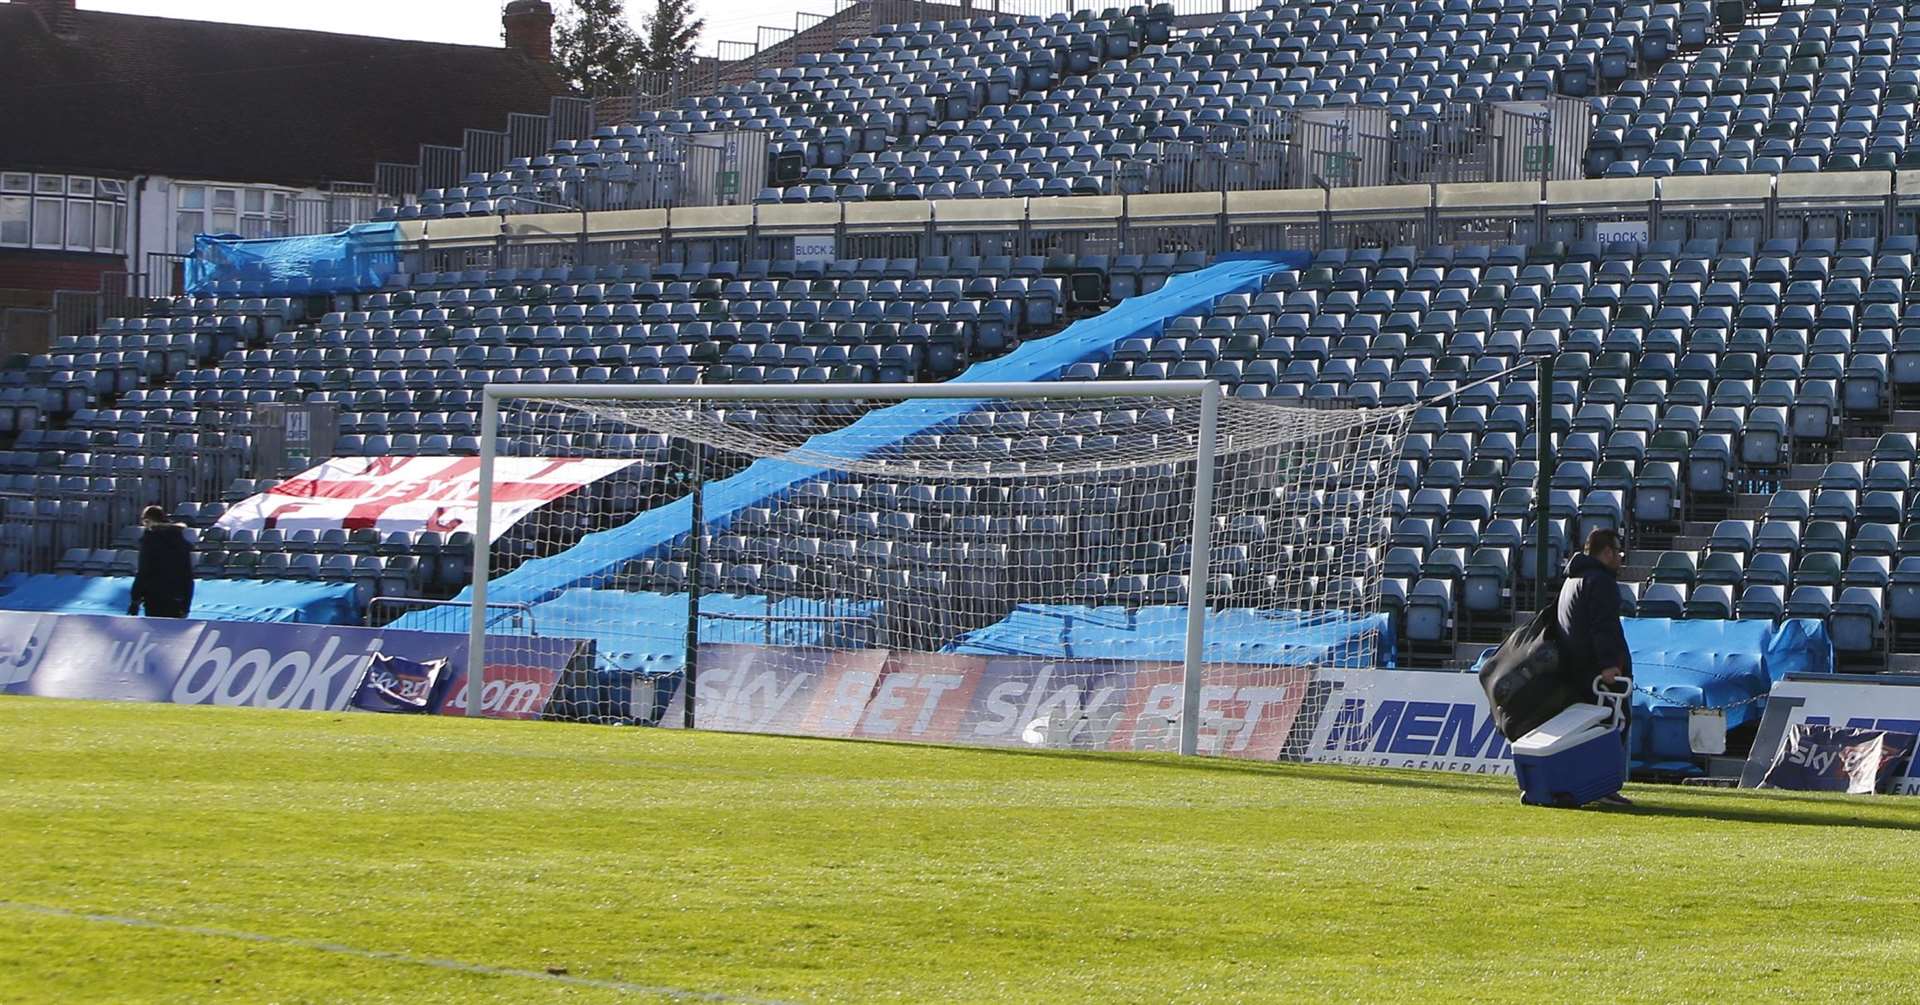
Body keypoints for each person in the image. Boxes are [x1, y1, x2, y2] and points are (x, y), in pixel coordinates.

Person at [1557, 527, 1634, 805]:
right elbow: (1603, 627)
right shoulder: (1600, 581)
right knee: (1612, 725)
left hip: (1575, 670)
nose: (1620, 560)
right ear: (1607, 552)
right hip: (1596, 674)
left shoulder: (1572, 580)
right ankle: (1603, 787)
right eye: (1618, 553)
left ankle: (1584, 785)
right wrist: (1610, 665)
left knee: (1585, 732)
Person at [128, 506, 194, 619]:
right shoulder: (180, 540)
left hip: (154, 597)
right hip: (176, 597)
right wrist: (186, 604)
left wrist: (135, 599)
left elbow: (144, 571)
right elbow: (187, 575)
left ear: (149, 521)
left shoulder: (150, 541)